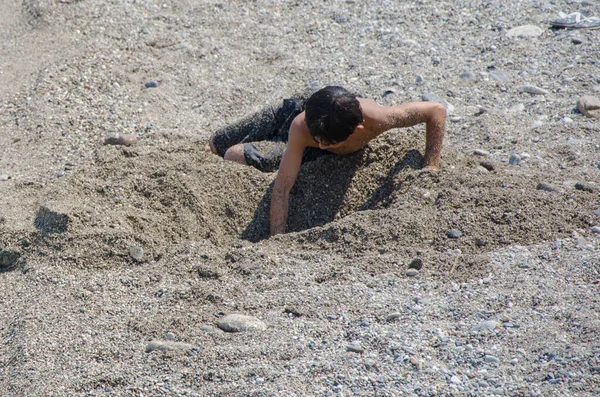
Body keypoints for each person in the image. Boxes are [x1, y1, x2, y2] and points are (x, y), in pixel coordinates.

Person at [209, 86, 446, 236]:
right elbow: (282, 189)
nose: (322, 144)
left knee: (235, 155)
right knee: (216, 144)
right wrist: (277, 236)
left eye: (327, 143)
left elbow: (436, 110)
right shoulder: (302, 127)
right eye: (319, 141)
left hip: (322, 130)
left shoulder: (380, 119)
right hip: (299, 116)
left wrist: (430, 165)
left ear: (358, 129)